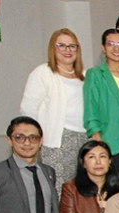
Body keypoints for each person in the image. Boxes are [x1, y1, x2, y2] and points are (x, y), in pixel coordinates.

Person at [21, 28, 86, 197]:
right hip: (57, 140)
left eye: (72, 46)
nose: (67, 50)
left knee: (80, 191)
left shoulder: (84, 76)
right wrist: (34, 138)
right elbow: (28, 108)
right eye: (62, 45)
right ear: (53, 48)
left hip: (84, 138)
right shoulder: (43, 73)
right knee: (58, 191)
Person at [84, 29, 119, 177]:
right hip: (109, 136)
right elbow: (91, 107)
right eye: (111, 44)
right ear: (103, 48)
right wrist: (96, 136)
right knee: (116, 180)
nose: (116, 49)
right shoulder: (95, 74)